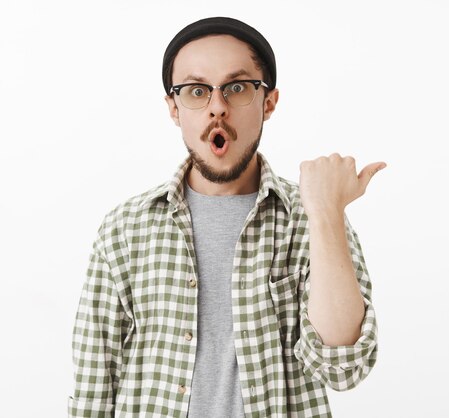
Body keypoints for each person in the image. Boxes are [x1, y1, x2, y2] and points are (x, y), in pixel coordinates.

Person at [69, 16, 385, 418]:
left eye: (237, 88)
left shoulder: (313, 221)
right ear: (173, 107)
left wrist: (325, 213)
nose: (217, 107)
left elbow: (343, 368)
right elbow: (93, 388)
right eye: (197, 91)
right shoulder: (125, 229)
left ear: (268, 101)